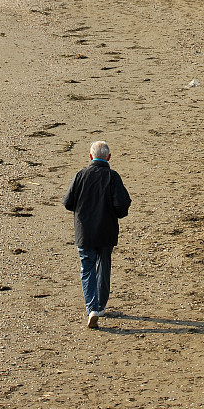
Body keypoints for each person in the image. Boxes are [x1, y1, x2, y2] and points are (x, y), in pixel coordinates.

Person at [62, 141, 131, 329]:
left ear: (90, 157)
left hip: (84, 231)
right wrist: (113, 213)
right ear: (108, 157)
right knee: (103, 266)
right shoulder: (112, 177)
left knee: (87, 268)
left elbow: (68, 202)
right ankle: (99, 306)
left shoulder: (81, 175)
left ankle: (92, 307)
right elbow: (122, 205)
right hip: (106, 231)